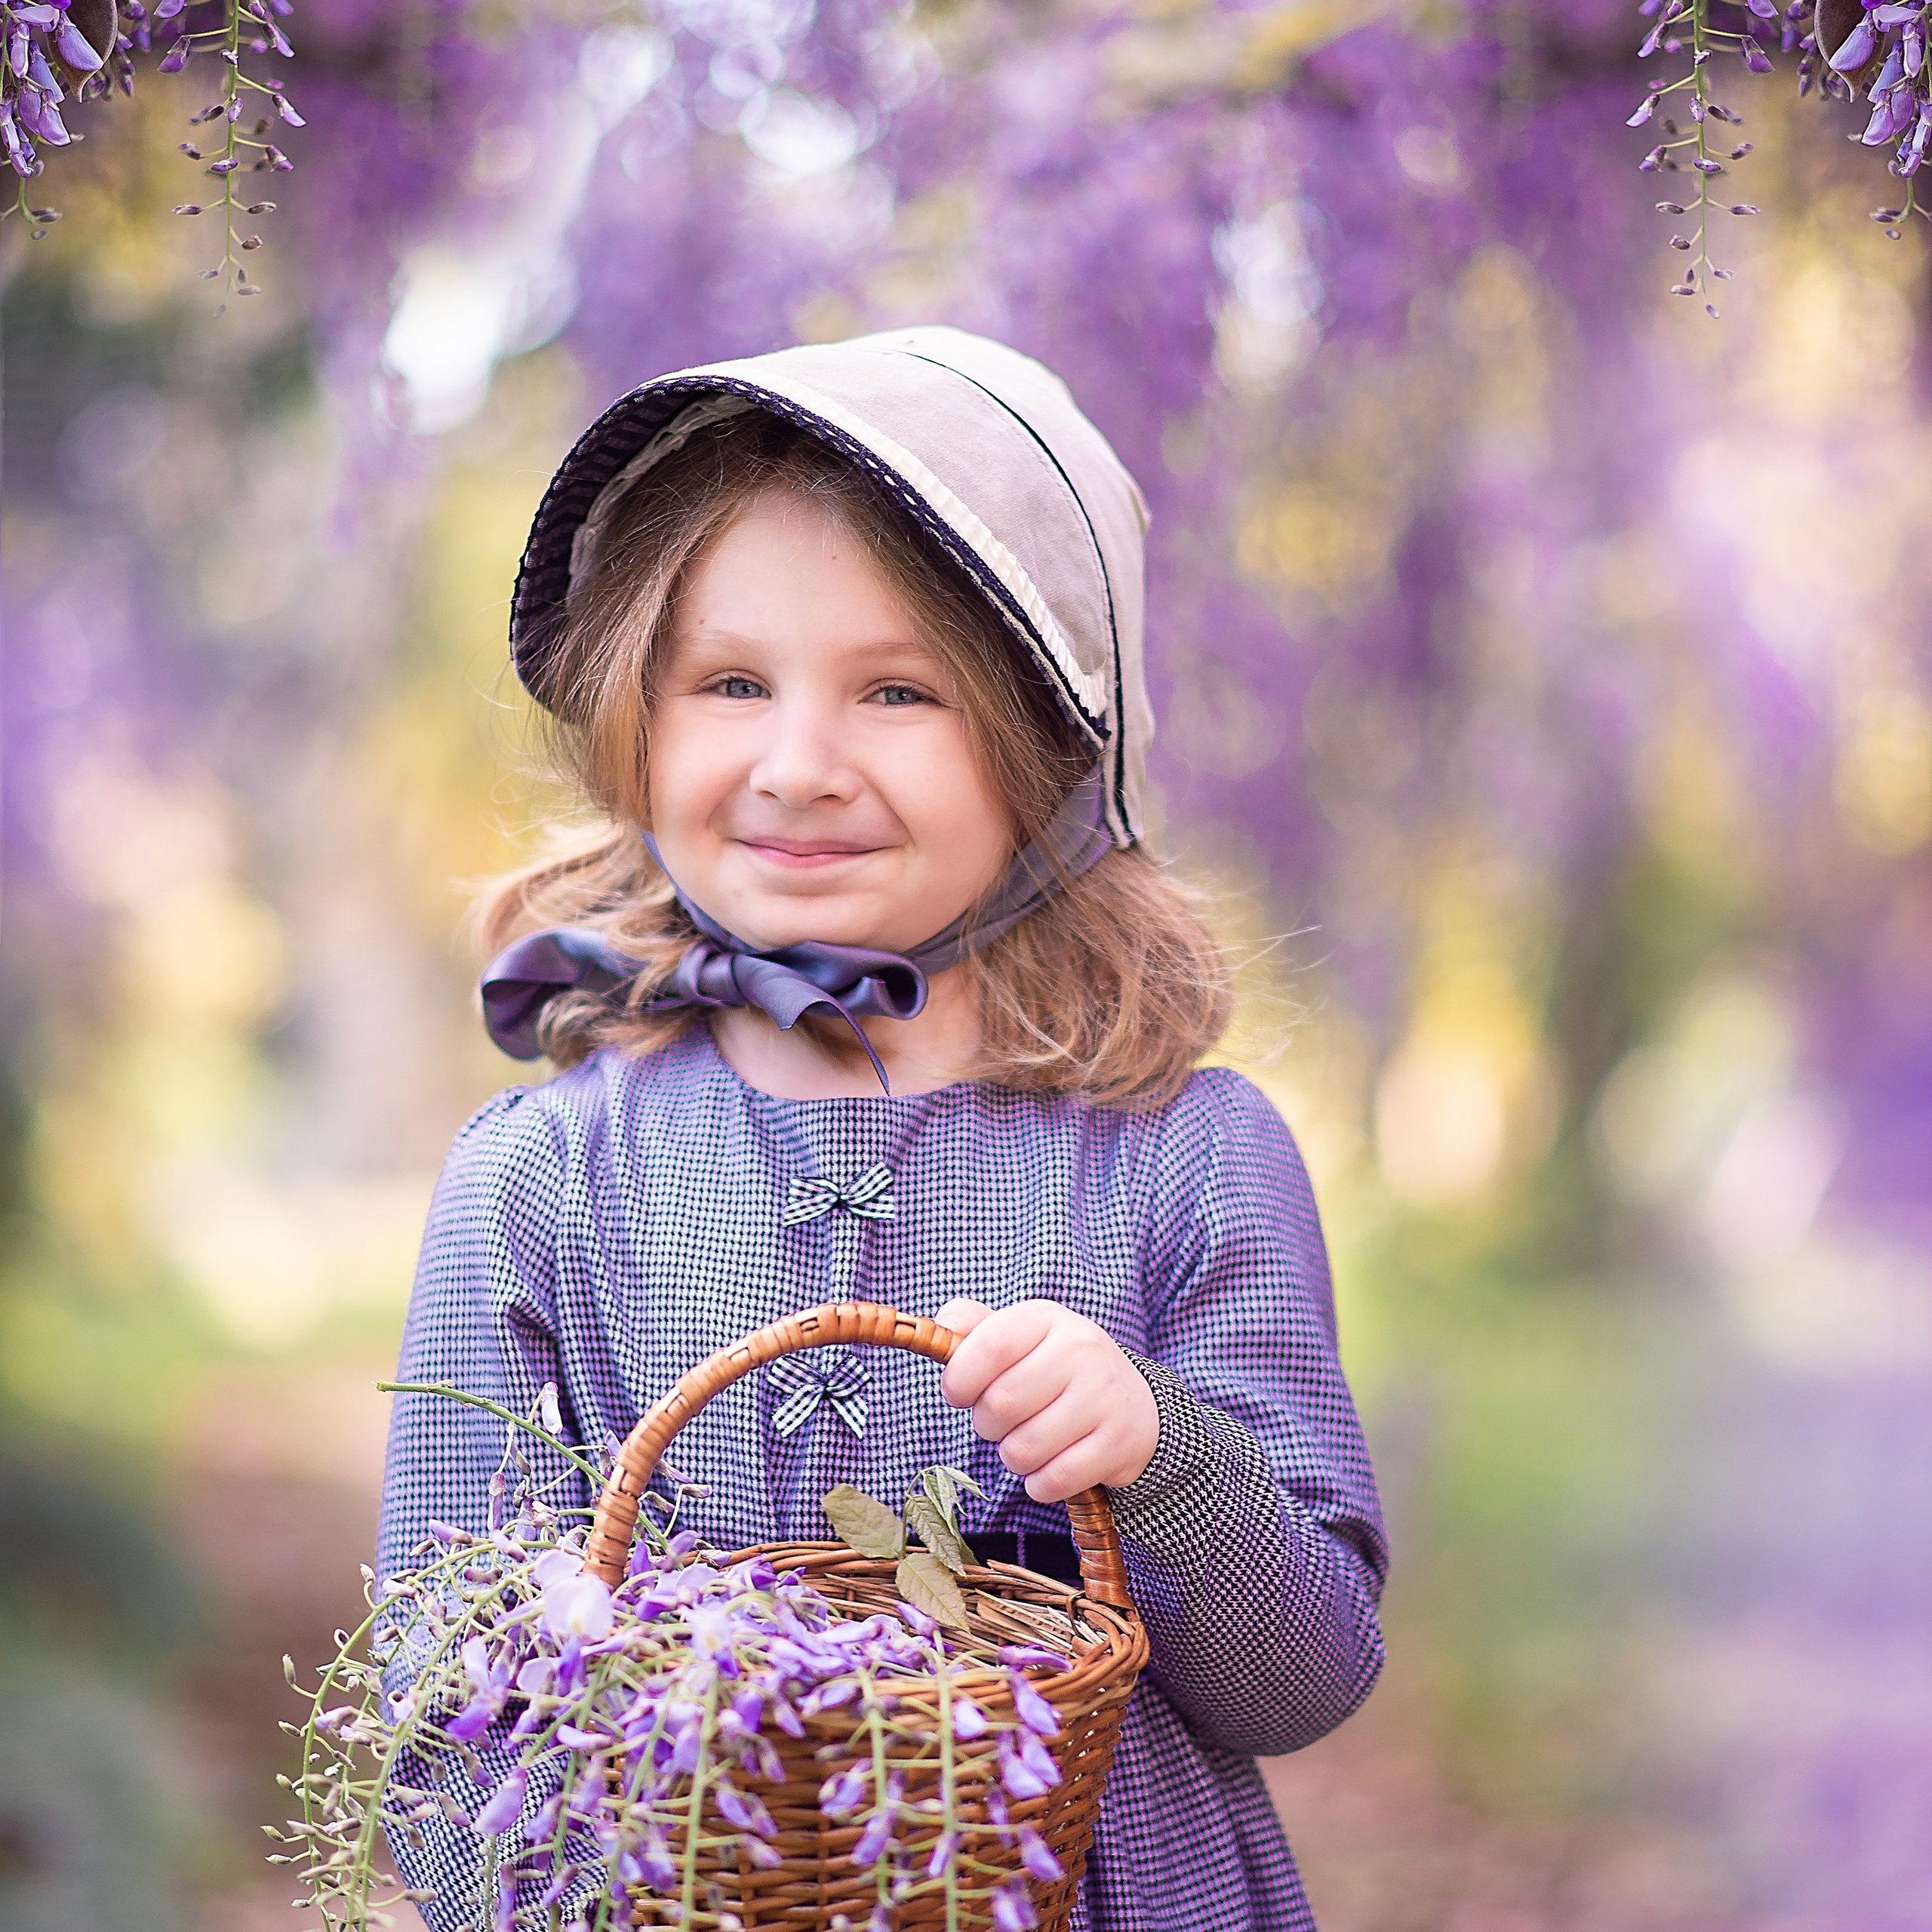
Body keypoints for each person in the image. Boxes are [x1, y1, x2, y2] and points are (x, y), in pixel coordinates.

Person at [378, 325, 1386, 1931]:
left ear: (1048, 745)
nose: (798, 766)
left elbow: (1305, 1677)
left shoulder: (1186, 1154)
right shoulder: (541, 1181)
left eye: (898, 690)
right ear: (637, 718)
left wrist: (1151, 1448)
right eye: (729, 683)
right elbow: (446, 1726)